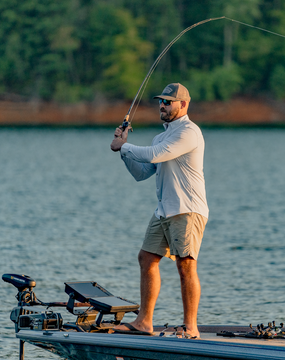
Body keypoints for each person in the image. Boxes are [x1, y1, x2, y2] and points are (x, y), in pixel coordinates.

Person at [110, 83, 208, 339]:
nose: (162, 106)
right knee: (146, 258)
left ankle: (191, 327)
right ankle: (144, 322)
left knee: (186, 265)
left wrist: (124, 147)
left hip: (187, 210)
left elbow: (154, 155)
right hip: (165, 210)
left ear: (183, 105)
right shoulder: (161, 136)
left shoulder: (189, 132)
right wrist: (124, 151)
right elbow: (142, 173)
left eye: (168, 102)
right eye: (161, 101)